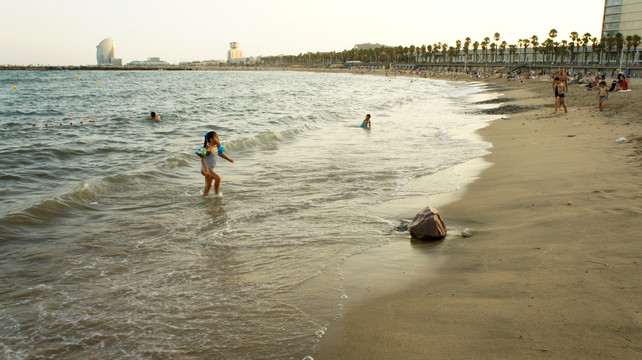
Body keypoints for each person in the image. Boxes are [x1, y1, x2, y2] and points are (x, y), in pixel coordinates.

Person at [199, 131, 234, 196]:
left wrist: (228, 159)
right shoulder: (208, 148)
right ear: (211, 139)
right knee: (218, 178)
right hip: (205, 169)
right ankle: (217, 194)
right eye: (217, 137)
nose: (219, 139)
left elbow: (220, 154)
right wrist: (206, 169)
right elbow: (202, 158)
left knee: (208, 187)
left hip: (211, 170)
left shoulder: (216, 147)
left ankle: (204, 198)